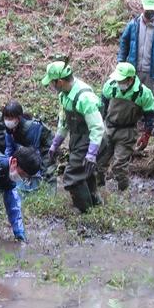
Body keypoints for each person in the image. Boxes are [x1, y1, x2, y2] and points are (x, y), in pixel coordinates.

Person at [42, 60, 106, 213]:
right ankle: (96, 204)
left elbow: (97, 127)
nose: (51, 86)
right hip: (77, 139)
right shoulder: (64, 95)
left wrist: (91, 153)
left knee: (72, 177)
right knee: (85, 173)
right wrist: (55, 144)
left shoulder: (84, 98)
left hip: (92, 139)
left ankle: (85, 211)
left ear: (60, 81)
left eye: (52, 83)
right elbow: (63, 123)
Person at [96, 62, 154, 191]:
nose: (118, 83)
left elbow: (150, 116)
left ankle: (123, 192)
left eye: (121, 80)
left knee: (119, 166)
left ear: (130, 79)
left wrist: (146, 135)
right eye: (117, 80)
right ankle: (97, 191)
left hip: (127, 132)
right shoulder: (110, 86)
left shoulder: (143, 93)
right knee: (99, 162)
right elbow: (103, 106)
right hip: (108, 128)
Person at [117, 0, 154, 136]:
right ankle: (136, 123)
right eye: (147, 10)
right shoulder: (133, 24)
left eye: (152, 11)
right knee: (133, 96)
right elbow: (124, 43)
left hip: (151, 69)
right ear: (142, 8)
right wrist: (121, 61)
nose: (149, 13)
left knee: (153, 96)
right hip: (133, 68)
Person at [2, 101, 55, 188]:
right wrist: (8, 166)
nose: (8, 121)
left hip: (46, 146)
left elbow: (34, 155)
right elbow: (9, 149)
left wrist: (31, 174)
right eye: (6, 117)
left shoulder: (31, 129)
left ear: (18, 118)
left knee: (47, 171)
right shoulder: (9, 129)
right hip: (29, 146)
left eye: (10, 118)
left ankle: (49, 195)